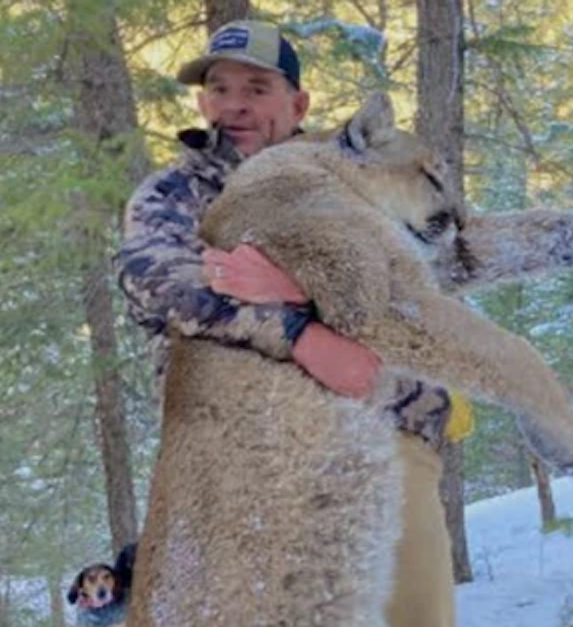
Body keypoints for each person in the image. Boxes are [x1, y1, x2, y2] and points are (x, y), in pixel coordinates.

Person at [116, 20, 470, 627]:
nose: (234, 106)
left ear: (297, 103)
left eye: (255, 88)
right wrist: (304, 336)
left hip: (381, 420)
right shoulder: (173, 195)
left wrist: (298, 288)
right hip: (240, 446)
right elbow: (161, 287)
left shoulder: (358, 176)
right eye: (219, 89)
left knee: (413, 613)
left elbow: (434, 269)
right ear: (202, 102)